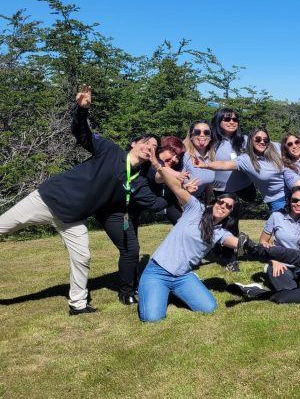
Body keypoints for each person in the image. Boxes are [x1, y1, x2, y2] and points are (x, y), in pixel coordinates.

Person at [0, 86, 161, 314]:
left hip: (73, 219)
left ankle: (77, 305)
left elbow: (156, 205)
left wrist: (184, 194)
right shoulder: (110, 150)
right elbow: (82, 133)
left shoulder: (138, 181)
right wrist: (82, 110)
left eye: (155, 147)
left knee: (83, 257)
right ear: (134, 143)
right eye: (147, 142)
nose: (151, 148)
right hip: (48, 200)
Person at [138, 152, 243, 322]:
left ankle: (173, 290)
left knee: (209, 308)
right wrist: (157, 166)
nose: (223, 206)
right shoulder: (196, 208)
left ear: (230, 214)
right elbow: (175, 187)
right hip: (158, 271)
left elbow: (238, 243)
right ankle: (155, 288)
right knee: (152, 318)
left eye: (228, 207)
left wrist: (263, 249)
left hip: (182, 276)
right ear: (215, 202)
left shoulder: (220, 233)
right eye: (221, 202)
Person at [99, 134, 191, 306]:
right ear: (159, 150)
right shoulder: (149, 165)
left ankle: (132, 286)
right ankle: (126, 292)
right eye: (171, 152)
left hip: (130, 212)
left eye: (178, 156)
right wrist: (177, 180)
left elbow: (161, 173)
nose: (174, 158)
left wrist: (180, 184)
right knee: (130, 250)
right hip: (114, 211)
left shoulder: (149, 165)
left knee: (131, 249)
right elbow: (158, 175)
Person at [193, 127, 286, 212]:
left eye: (266, 140)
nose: (262, 142)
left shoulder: (276, 147)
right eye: (258, 139)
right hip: (277, 200)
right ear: (250, 141)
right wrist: (205, 164)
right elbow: (224, 164)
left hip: (295, 191)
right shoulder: (246, 160)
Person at [258, 186, 300, 292]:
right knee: (289, 290)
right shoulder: (276, 216)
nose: (299, 204)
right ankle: (270, 271)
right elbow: (262, 241)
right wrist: (274, 260)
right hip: (281, 263)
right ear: (289, 201)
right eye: (295, 200)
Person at [210, 107, 257, 202]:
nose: (232, 122)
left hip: (246, 188)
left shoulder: (245, 140)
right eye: (227, 119)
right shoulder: (211, 142)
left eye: (235, 119)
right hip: (222, 190)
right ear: (218, 121)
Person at [181, 120, 217, 203]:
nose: (202, 135)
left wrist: (208, 204)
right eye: (197, 132)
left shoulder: (211, 157)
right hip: (180, 202)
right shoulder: (183, 155)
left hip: (198, 201)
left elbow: (208, 184)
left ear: (210, 137)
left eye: (206, 132)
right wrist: (184, 188)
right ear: (190, 136)